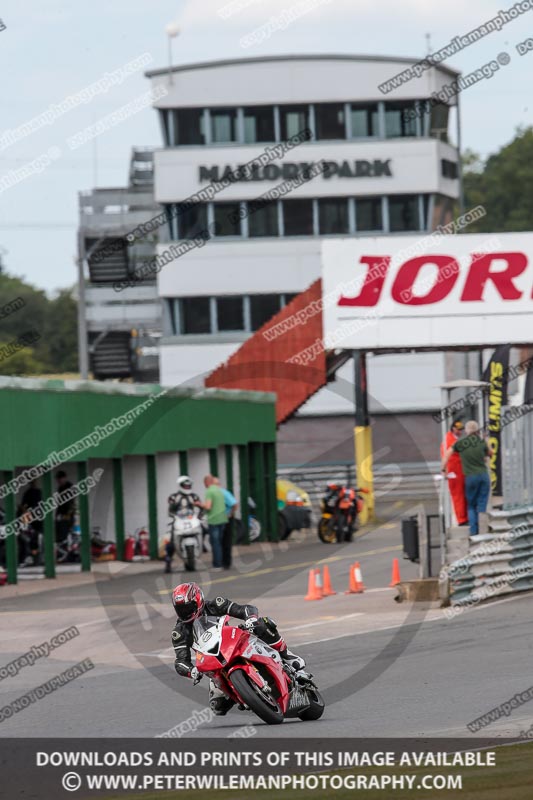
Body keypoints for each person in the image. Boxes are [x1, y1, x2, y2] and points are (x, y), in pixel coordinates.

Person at [171, 582, 305, 716]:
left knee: (263, 624)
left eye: (188, 608)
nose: (185, 612)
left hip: (233, 641)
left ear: (198, 600)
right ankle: (246, 696)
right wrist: (191, 671)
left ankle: (287, 656)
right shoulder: (179, 631)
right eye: (181, 610)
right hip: (214, 660)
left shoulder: (216, 604)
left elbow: (246, 609)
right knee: (217, 707)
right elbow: (180, 661)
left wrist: (250, 619)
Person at [442, 420, 493, 536]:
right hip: (483, 476)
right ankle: (483, 530)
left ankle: (473, 531)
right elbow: (490, 454)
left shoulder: (461, 443)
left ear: (466, 430)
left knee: (471, 505)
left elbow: (446, 455)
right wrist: (486, 440)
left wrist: (443, 469)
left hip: (470, 477)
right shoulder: (481, 442)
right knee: (482, 504)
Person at [165, 475, 202, 574]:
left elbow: (201, 507)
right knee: (171, 540)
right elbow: (170, 511)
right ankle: (168, 561)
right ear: (180, 486)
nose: (187, 487)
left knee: (204, 530)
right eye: (185, 486)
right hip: (179, 521)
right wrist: (174, 516)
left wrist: (199, 516)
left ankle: (202, 547)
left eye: (188, 486)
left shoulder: (194, 497)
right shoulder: (174, 497)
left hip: (191, 521)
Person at [440, 420, 468, 526]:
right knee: (458, 495)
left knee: (461, 495)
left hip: (458, 470)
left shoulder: (451, 439)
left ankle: (463, 517)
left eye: (461, 430)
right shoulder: (450, 440)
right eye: (459, 430)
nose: (461, 432)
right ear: (453, 429)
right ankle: (462, 519)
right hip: (454, 471)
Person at [197, 475, 227, 572]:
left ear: (206, 482)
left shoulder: (209, 491)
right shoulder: (219, 490)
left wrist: (199, 504)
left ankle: (217, 565)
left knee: (215, 543)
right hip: (223, 518)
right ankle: (222, 563)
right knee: (220, 542)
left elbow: (208, 506)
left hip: (214, 519)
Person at [213, 477, 238, 570]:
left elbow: (234, 504)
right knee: (220, 541)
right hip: (219, 519)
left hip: (226, 519)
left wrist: (229, 514)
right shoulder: (216, 494)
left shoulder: (223, 493)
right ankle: (222, 561)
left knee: (226, 541)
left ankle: (226, 562)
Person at [55, 471, 75, 544]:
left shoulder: (69, 486)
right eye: (58, 479)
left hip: (68, 516)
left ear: (64, 478)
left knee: (65, 532)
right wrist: (57, 515)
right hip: (61, 515)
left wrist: (67, 515)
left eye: (60, 479)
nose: (58, 481)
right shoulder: (60, 488)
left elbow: (71, 503)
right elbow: (59, 504)